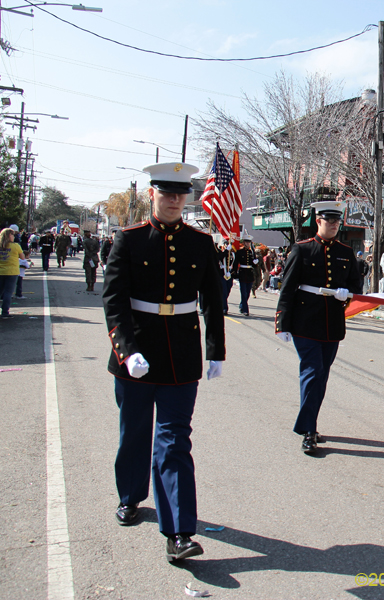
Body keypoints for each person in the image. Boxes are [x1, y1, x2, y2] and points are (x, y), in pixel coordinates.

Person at [101, 162, 225, 563]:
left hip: (181, 355)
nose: (174, 200)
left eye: (180, 193)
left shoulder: (200, 242)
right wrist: (126, 350)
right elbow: (114, 300)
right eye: (166, 193)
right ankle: (131, 495)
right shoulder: (129, 239)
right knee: (135, 434)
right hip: (136, 353)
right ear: (151, 194)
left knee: (173, 442)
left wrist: (216, 350)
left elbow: (213, 301)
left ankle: (179, 532)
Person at [275, 199, 362, 455]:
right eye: (329, 220)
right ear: (318, 221)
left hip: (332, 324)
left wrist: (346, 293)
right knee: (313, 372)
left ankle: (310, 423)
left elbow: (356, 288)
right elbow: (287, 288)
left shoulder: (346, 253)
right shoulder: (301, 250)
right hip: (305, 322)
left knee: (321, 377)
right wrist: (282, 323)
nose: (334, 224)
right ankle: (308, 430)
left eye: (337, 221)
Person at [0, 227, 26, 318]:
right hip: (12, 272)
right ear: (9, 236)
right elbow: (23, 258)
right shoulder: (15, 246)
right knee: (8, 293)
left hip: (1, 271)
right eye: (12, 235)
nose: (14, 237)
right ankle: (5, 312)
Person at [217, 240, 235, 314]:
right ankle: (224, 308)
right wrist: (226, 250)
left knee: (228, 290)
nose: (227, 245)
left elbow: (235, 263)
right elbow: (219, 257)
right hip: (222, 274)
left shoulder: (233, 254)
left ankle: (221, 302)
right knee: (223, 291)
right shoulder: (221, 252)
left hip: (229, 274)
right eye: (226, 244)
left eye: (228, 244)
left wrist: (232, 272)